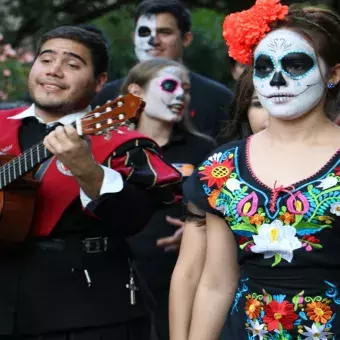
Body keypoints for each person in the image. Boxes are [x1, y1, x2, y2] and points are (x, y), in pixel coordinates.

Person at [0, 26, 182, 339]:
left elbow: (132, 219)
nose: (54, 71)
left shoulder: (126, 143)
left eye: (72, 65)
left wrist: (88, 170)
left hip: (86, 312)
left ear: (100, 82)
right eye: (46, 60)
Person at [174, 0, 340, 339]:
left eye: (295, 64)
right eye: (264, 67)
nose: (277, 79)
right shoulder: (222, 167)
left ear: (334, 73)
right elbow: (216, 282)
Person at [169, 65, 268, 340]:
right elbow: (190, 274)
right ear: (244, 111)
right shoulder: (222, 171)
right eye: (259, 103)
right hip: (235, 323)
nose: (272, 114)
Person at [121, 57, 216, 340]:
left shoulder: (204, 148)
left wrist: (200, 229)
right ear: (135, 92)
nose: (180, 95)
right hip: (122, 275)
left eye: (186, 89)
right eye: (169, 85)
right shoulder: (113, 145)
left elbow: (225, 209)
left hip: (185, 276)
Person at [92, 0, 234, 138]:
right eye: (144, 32)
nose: (154, 41)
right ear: (134, 38)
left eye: (164, 32)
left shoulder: (218, 99)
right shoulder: (106, 97)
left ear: (186, 38)